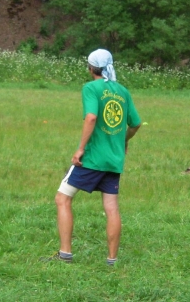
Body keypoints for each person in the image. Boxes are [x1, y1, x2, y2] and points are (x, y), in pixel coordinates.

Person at [46, 49, 141, 266]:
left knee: (62, 199)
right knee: (111, 207)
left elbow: (91, 117)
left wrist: (80, 149)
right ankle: (112, 260)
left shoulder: (91, 88)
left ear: (91, 68)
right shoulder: (123, 91)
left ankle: (65, 254)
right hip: (114, 160)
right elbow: (135, 124)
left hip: (92, 158)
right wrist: (123, 141)